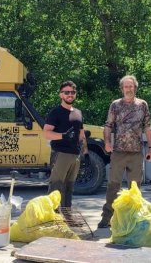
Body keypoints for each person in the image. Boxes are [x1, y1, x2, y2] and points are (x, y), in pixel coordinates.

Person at [97, 75, 151, 228]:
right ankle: (107, 218)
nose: (129, 89)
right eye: (126, 86)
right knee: (113, 186)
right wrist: (107, 142)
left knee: (135, 188)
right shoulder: (115, 105)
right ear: (122, 88)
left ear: (135, 87)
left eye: (131, 86)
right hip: (119, 152)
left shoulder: (142, 105)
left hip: (136, 152)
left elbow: (148, 127)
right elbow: (108, 125)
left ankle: (134, 219)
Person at [43, 81, 89, 210]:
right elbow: (46, 133)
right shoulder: (55, 112)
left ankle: (67, 216)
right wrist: (63, 136)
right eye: (66, 92)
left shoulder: (78, 113)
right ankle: (52, 217)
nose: (70, 94)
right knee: (56, 187)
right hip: (60, 154)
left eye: (72, 92)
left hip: (75, 155)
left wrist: (86, 153)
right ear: (60, 95)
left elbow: (81, 134)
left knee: (69, 187)